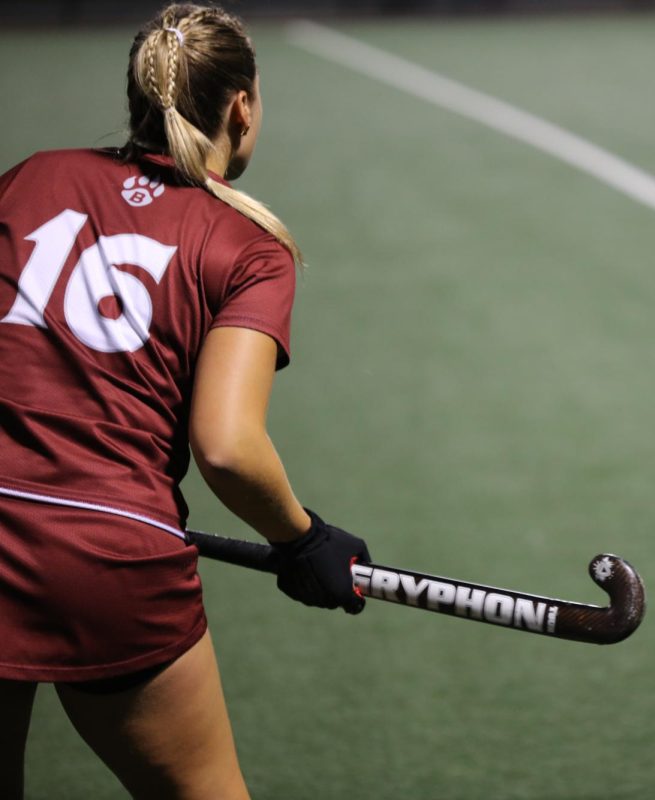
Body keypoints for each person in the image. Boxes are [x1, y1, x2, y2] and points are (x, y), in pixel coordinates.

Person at [0, 4, 372, 796]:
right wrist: (304, 541)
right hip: (106, 558)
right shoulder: (247, 245)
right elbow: (228, 448)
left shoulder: (32, 177)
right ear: (241, 107)